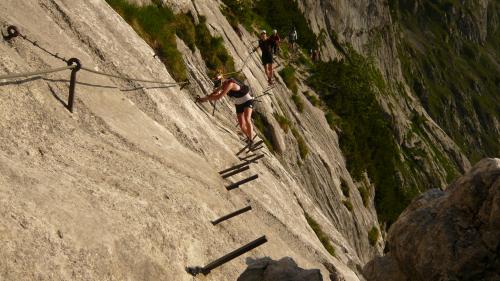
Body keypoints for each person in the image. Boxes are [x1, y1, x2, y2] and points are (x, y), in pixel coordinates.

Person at [197, 74, 255, 143]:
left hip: (247, 101)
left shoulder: (230, 84)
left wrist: (205, 99)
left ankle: (251, 139)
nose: (220, 86)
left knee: (247, 118)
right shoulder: (224, 84)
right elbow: (215, 93)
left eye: (220, 83)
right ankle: (249, 138)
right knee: (242, 125)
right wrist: (205, 98)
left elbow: (218, 97)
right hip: (238, 104)